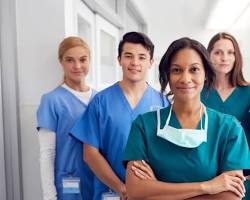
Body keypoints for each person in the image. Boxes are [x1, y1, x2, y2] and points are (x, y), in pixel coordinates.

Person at [124, 37, 250, 199]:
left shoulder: (228, 127)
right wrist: (207, 187)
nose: (185, 78)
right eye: (176, 70)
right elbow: (136, 191)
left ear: (206, 74)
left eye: (194, 69)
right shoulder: (144, 125)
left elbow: (230, 197)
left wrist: (158, 190)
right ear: (167, 75)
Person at [70, 31, 169, 200]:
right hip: (110, 192)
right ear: (119, 60)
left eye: (142, 57)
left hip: (151, 193)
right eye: (128, 56)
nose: (135, 62)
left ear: (151, 62)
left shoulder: (163, 103)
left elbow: (169, 153)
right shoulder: (101, 101)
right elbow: (90, 154)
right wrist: (122, 189)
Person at [36, 36, 97, 200]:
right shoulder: (51, 100)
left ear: (90, 61)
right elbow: (47, 154)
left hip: (99, 183)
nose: (77, 66)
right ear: (61, 62)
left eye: (82, 59)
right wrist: (49, 196)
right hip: (69, 184)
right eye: (70, 60)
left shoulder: (100, 99)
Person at [201, 32, 250, 199]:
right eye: (218, 52)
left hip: (242, 175)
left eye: (230, 52)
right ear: (208, 55)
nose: (224, 58)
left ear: (237, 57)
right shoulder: (197, 92)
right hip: (205, 174)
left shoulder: (248, 92)